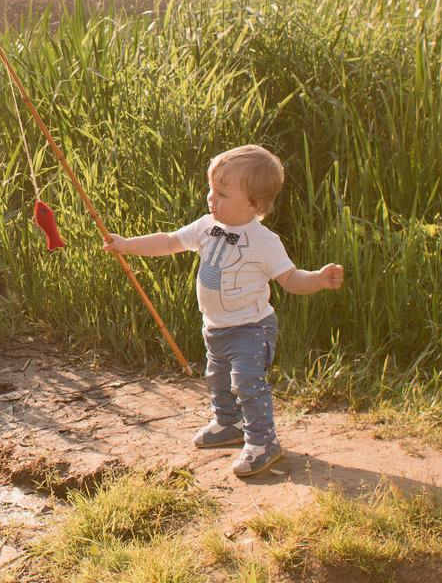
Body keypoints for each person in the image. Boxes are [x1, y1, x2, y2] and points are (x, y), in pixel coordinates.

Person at [103, 144, 343, 477]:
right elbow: (169, 241)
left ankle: (263, 441)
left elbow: (290, 278)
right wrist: (127, 245)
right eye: (211, 189)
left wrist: (316, 279)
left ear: (255, 204)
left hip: (251, 327)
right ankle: (228, 424)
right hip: (215, 326)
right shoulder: (206, 227)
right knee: (217, 379)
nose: (211, 198)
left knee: (247, 382)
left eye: (222, 194)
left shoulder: (265, 242)